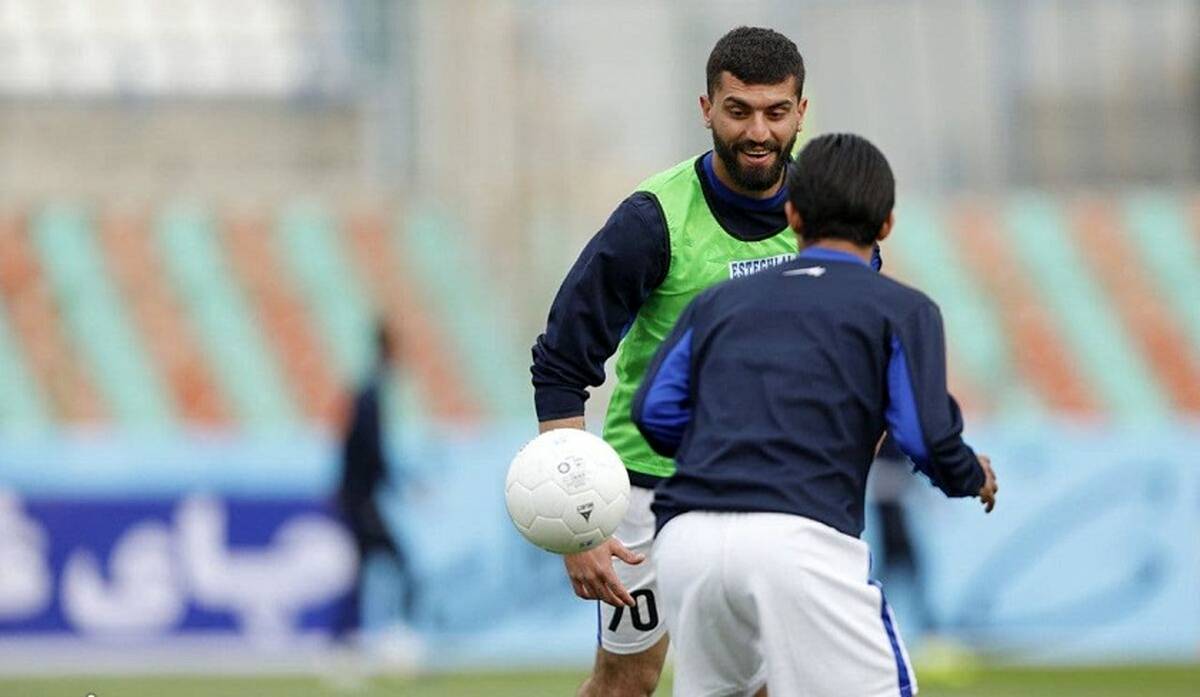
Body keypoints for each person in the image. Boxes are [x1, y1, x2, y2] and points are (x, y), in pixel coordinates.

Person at [531, 26, 865, 696]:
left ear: (802, 112)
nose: (758, 131)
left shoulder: (830, 215)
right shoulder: (651, 221)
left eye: (776, 112)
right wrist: (579, 522)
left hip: (771, 492)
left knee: (776, 682)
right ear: (706, 108)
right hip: (650, 494)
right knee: (627, 680)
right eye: (739, 110)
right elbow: (561, 366)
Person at [632, 133, 998, 696]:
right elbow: (924, 436)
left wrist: (731, 443)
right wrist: (972, 475)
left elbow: (654, 412)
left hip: (686, 542)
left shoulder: (718, 302)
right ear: (886, 226)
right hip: (799, 539)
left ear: (793, 215)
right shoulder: (901, 309)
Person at [335, 321, 417, 640]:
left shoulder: (369, 391)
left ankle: (346, 640)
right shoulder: (370, 394)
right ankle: (398, 633)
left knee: (365, 568)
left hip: (357, 497)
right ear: (389, 350)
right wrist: (399, 483)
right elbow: (370, 450)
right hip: (360, 500)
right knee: (398, 561)